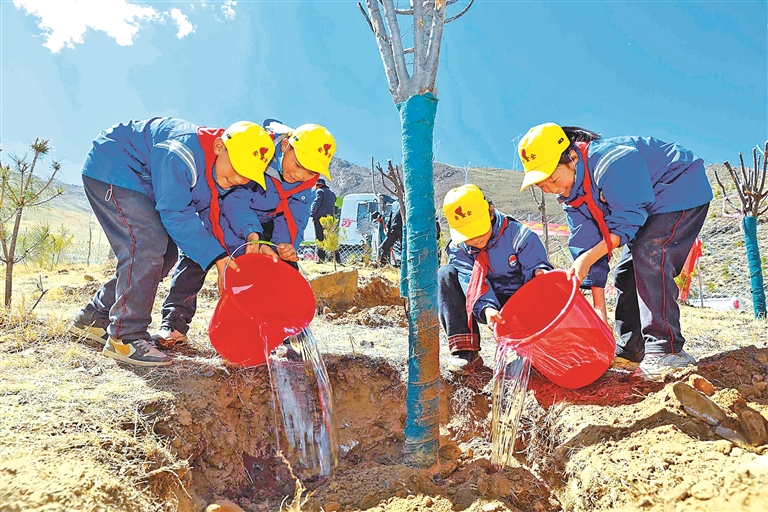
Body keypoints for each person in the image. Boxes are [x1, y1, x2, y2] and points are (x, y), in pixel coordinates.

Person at [68, 117, 275, 366]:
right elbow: (175, 213)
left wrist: (249, 240)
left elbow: (214, 220)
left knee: (166, 255)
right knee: (146, 244)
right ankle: (126, 336)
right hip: (113, 167)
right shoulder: (182, 152)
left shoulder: (217, 176)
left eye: (249, 175)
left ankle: (93, 317)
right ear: (219, 146)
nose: (241, 178)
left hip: (142, 182)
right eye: (239, 167)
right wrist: (218, 258)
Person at [517, 123, 712, 381]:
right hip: (649, 208)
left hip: (679, 186)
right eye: (543, 186)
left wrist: (588, 258)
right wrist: (600, 314)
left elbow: (629, 218)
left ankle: (667, 350)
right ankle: (632, 349)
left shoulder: (612, 160)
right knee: (625, 273)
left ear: (572, 157)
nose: (553, 189)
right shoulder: (572, 197)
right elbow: (588, 246)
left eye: (553, 180)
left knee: (651, 254)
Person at [151, 121, 336, 348]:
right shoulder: (258, 153)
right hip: (227, 213)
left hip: (265, 225)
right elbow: (234, 199)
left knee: (282, 269)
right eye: (298, 164)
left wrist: (285, 245)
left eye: (310, 171)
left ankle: (282, 336)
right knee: (197, 257)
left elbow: (294, 217)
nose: (300, 174)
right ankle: (174, 325)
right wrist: (250, 231)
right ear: (286, 145)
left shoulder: (306, 183)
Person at [439, 184, 553, 374]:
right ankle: (466, 352)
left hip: (521, 301)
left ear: (491, 213)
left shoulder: (518, 235)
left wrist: (539, 273)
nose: (475, 239)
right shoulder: (458, 249)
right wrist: (487, 308)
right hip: (484, 303)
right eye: (468, 235)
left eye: (479, 230)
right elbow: (471, 282)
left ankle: (531, 348)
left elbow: (536, 265)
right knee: (445, 274)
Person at [310, 176, 337, 263]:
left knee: (320, 237)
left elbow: (316, 203)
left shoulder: (319, 191)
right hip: (330, 218)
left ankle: (321, 259)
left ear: (319, 185)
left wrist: (312, 214)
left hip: (320, 218)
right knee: (330, 238)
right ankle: (336, 259)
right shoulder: (332, 194)